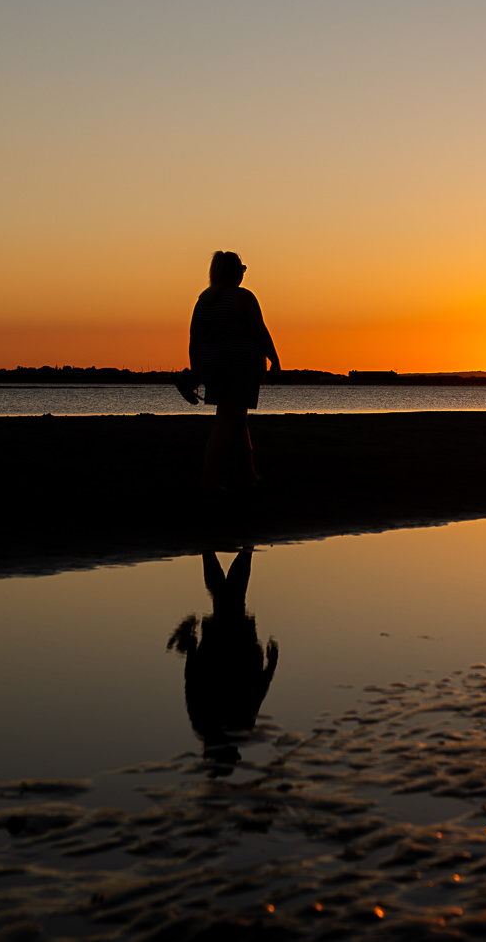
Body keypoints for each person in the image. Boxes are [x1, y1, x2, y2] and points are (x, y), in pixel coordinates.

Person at [165, 546, 278, 769]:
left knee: (229, 598)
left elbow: (193, 686)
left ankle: (235, 550)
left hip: (229, 654)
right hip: (230, 655)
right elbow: (254, 695)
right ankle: (220, 549)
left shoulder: (225, 729)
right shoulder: (211, 727)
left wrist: (270, 666)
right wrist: (191, 650)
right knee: (227, 598)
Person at [181, 250, 280, 489]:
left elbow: (194, 339)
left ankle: (248, 475)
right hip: (240, 366)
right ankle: (208, 480)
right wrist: (275, 360)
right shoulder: (243, 297)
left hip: (214, 366)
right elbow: (259, 331)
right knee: (226, 423)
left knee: (237, 421)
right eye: (242, 270)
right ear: (236, 273)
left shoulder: (204, 300)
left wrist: (197, 370)